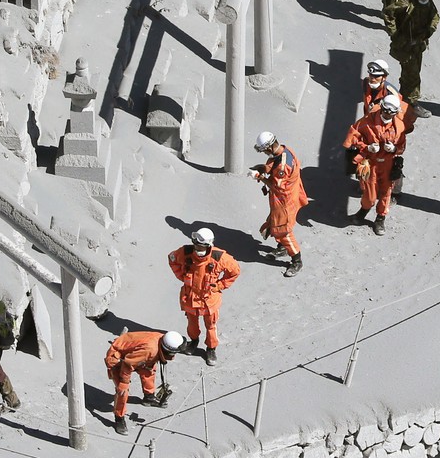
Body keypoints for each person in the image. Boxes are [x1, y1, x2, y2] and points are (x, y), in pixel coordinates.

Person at [167, 228, 241, 365]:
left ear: (208, 246)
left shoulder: (219, 257)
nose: (197, 249)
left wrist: (219, 285)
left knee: (211, 326)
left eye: (200, 246)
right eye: (196, 245)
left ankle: (211, 349)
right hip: (190, 298)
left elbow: (235, 271)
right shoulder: (185, 252)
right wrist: (182, 276)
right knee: (192, 324)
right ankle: (193, 341)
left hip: (209, 300)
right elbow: (172, 259)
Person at [344, 93, 407, 235]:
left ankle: (380, 219)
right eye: (385, 111)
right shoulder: (366, 122)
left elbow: (402, 146)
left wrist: (395, 149)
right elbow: (352, 138)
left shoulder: (399, 126)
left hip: (388, 164)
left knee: (386, 193)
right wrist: (366, 147)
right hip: (370, 163)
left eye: (391, 113)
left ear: (396, 113)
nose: (386, 115)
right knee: (369, 195)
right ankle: (363, 211)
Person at [104, 330, 184, 434]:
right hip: (118, 357)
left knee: (148, 371)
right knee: (122, 391)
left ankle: (149, 397)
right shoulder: (149, 350)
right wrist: (124, 382)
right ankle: (119, 418)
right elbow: (128, 365)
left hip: (133, 353)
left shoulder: (161, 339)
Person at [253, 132, 310, 277]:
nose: (265, 154)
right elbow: (274, 163)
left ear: (270, 147)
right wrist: (264, 169)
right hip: (290, 194)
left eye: (265, 150)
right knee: (275, 223)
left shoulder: (282, 168)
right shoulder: (286, 150)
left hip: (284, 201)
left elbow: (276, 186)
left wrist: (259, 177)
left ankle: (296, 260)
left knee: (283, 230)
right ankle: (282, 248)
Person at [388, 0, 439, 112]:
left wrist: (429, 31)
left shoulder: (429, 4)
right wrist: (394, 34)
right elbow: (388, 13)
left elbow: (435, 18)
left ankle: (403, 98)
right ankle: (411, 103)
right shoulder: (406, 3)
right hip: (405, 45)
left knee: (410, 73)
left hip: (418, 45)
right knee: (413, 74)